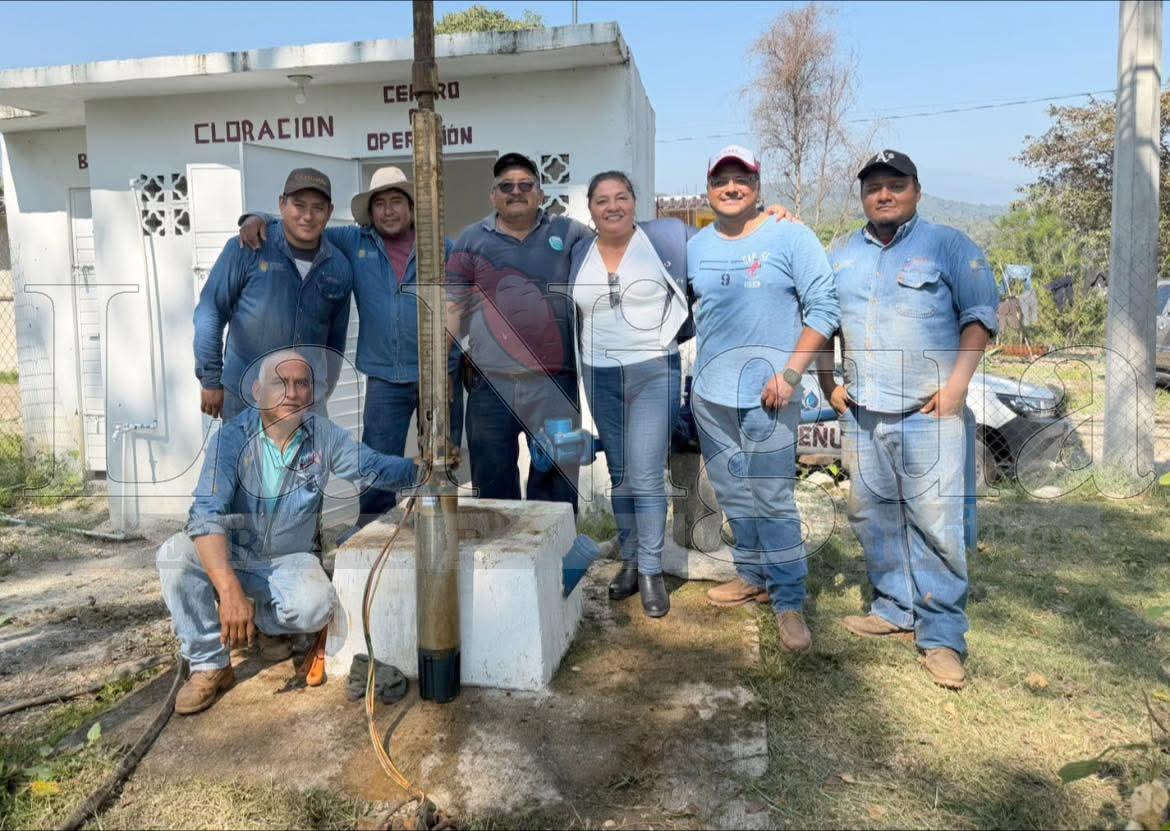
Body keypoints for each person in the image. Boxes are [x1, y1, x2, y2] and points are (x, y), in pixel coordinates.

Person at [818, 149, 999, 689]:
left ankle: (942, 636)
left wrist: (957, 387)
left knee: (937, 525)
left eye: (895, 184)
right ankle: (894, 607)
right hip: (863, 413)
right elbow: (822, 318)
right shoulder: (843, 252)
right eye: (874, 186)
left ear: (916, 190)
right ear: (863, 196)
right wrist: (829, 384)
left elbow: (980, 319)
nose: (884, 194)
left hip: (929, 413)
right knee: (873, 516)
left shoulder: (950, 246)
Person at [156, 349, 418, 714]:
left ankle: (259, 624)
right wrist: (229, 590)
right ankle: (209, 664)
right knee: (174, 555)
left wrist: (421, 470)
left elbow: (370, 466)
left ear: (312, 393)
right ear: (257, 390)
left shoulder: (322, 437)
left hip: (287, 561)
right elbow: (206, 515)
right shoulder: (230, 439)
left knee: (316, 606)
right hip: (236, 554)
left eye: (302, 384)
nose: (292, 393)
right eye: (281, 382)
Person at [238, 167, 462, 533]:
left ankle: (441, 532)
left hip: (438, 373)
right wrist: (255, 218)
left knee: (441, 457)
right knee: (375, 463)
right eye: (381, 204)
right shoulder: (354, 242)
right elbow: (303, 223)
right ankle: (373, 536)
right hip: (385, 377)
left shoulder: (441, 247)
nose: (389, 211)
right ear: (371, 212)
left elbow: (459, 306)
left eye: (396, 202)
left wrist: (453, 365)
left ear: (410, 208)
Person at [688, 145, 839, 653]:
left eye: (742, 179)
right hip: (711, 396)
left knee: (773, 498)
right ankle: (752, 575)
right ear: (709, 187)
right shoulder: (696, 245)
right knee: (734, 494)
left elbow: (824, 308)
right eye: (721, 179)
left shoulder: (791, 235)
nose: (731, 187)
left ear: (758, 186)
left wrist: (792, 375)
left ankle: (790, 601)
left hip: (771, 395)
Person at [567, 172, 690, 617]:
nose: (612, 206)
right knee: (619, 472)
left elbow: (724, 244)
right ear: (591, 208)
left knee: (645, 473)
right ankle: (632, 560)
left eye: (621, 197)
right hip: (599, 374)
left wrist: (770, 217)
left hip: (653, 370)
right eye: (602, 200)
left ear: (636, 203)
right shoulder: (579, 250)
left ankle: (653, 570)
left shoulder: (665, 239)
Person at [446, 153, 592, 510]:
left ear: (541, 194)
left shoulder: (569, 233)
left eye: (526, 185)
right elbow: (451, 308)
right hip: (489, 387)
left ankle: (557, 564)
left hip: (553, 385)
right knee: (493, 493)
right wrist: (442, 373)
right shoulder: (470, 239)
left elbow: (609, 256)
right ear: (492, 196)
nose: (516, 192)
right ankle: (500, 566)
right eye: (506, 186)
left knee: (556, 489)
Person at [194, 168, 352, 421]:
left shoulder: (339, 267)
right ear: (282, 204)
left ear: (330, 212)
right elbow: (210, 312)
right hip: (247, 399)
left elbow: (334, 343)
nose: (308, 216)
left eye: (318, 208)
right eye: (298, 205)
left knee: (309, 463)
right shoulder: (246, 249)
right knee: (246, 461)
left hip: (306, 406)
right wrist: (210, 379)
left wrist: (320, 390)